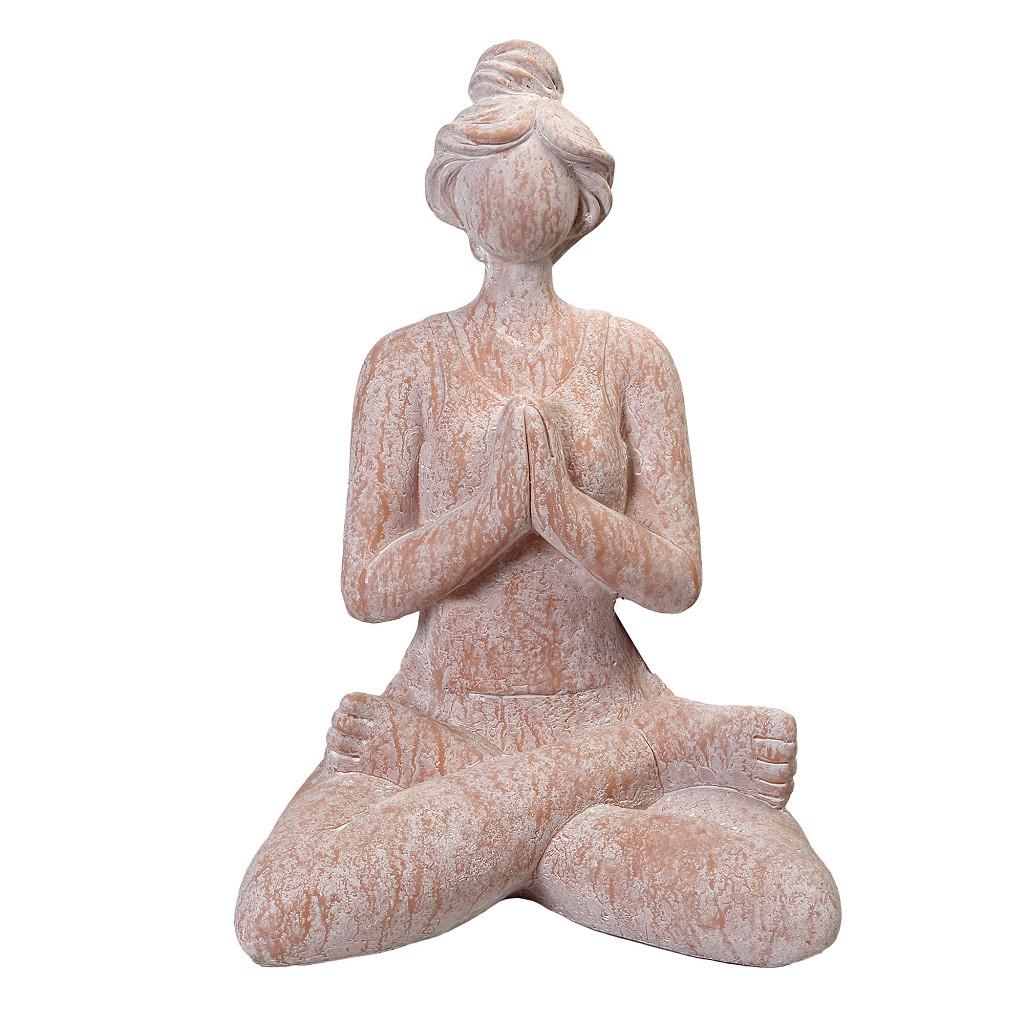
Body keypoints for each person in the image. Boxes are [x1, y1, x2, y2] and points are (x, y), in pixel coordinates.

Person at [235, 40, 840, 968]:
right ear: (455, 200)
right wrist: (494, 515)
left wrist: (561, 509)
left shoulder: (630, 356)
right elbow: (368, 587)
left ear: (583, 202)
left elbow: (676, 580)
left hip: (606, 700)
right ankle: (635, 765)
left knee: (791, 908)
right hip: (437, 711)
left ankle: (492, 823)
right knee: (282, 912)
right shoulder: (406, 361)